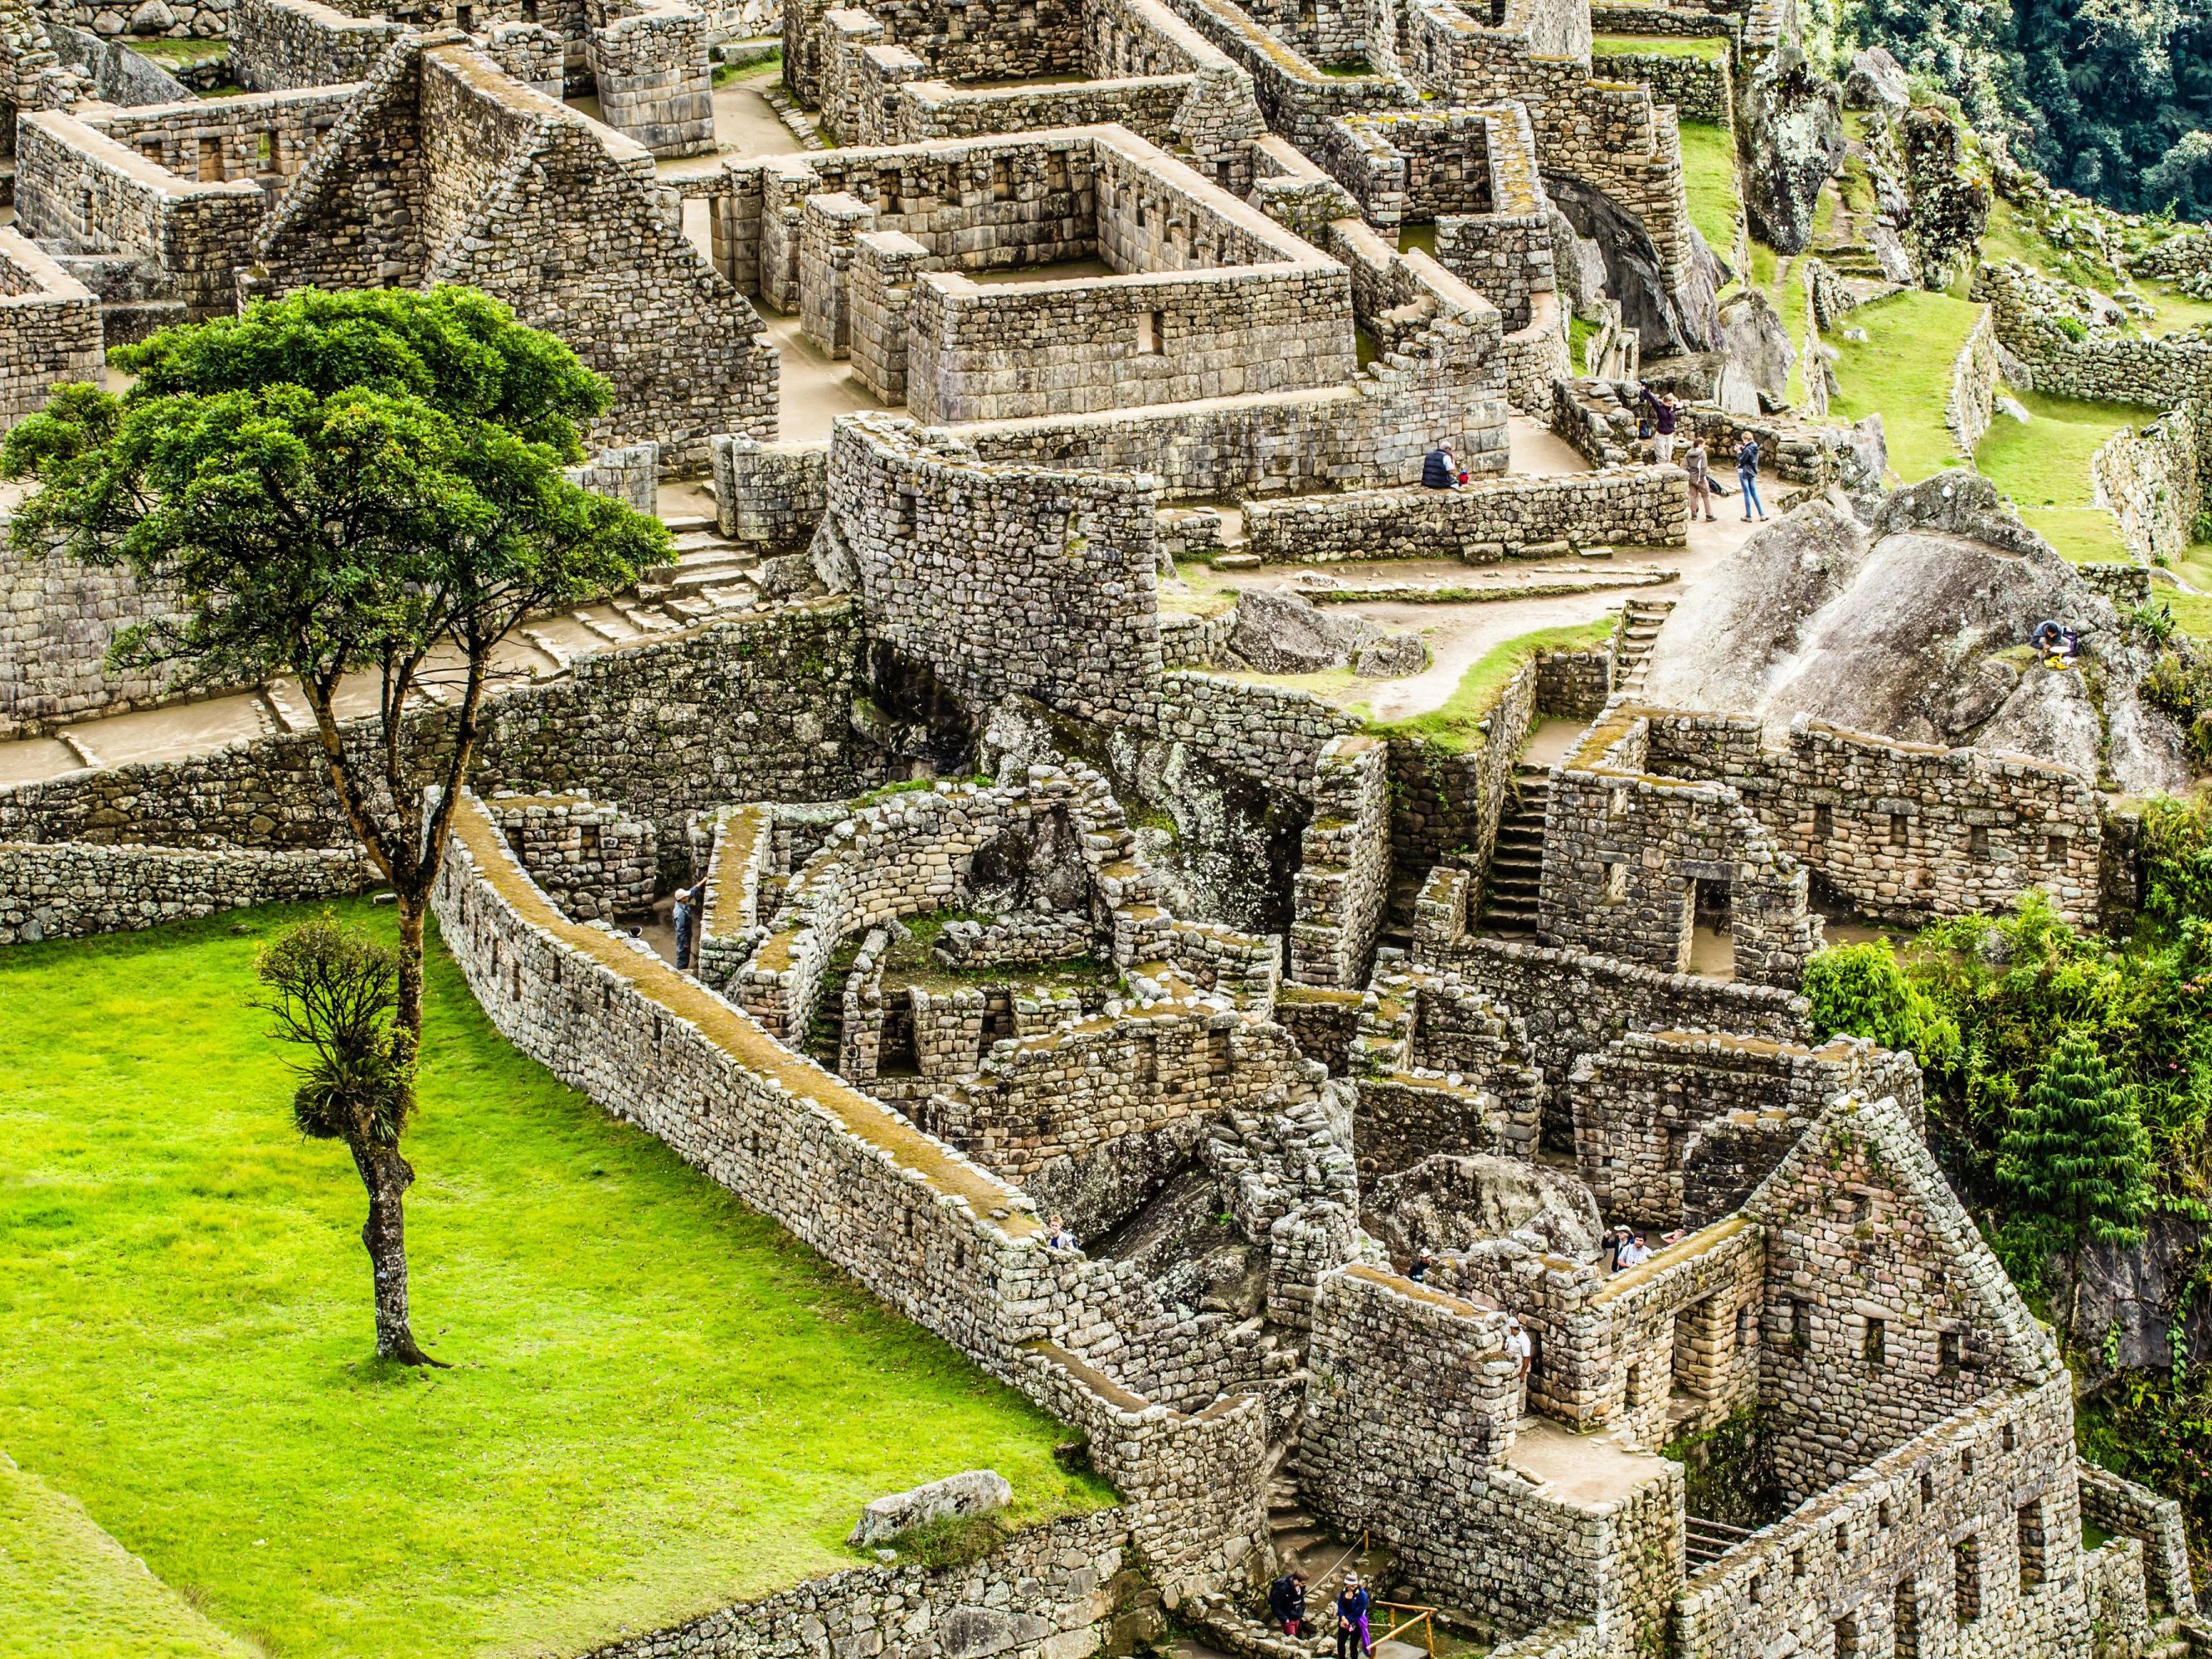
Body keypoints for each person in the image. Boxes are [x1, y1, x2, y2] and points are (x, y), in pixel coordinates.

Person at [1335, 1574, 1373, 1659]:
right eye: (1352, 1586)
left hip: (1356, 1622)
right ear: (1347, 1585)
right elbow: (1340, 1605)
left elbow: (1359, 1611)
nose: (1354, 1587)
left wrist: (1348, 1620)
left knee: (1353, 1646)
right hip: (1344, 1621)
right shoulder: (1344, 1591)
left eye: (1355, 1585)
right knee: (1340, 1644)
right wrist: (1343, 1617)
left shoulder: (1362, 1595)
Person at [1641, 386, 1680, 465]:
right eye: (1669, 403)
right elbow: (1652, 399)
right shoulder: (1660, 408)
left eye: (1671, 403)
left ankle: (1667, 469)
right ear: (1665, 402)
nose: (1670, 405)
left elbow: (1681, 405)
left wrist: (1675, 405)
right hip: (1661, 435)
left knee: (1668, 457)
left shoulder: (1673, 409)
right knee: (1661, 457)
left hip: (1670, 435)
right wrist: (1645, 390)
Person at [1681, 435, 1717, 523]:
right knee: (1706, 495)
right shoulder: (1702, 453)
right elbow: (1704, 467)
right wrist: (1702, 478)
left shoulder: (1688, 454)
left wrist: (1688, 477)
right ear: (1700, 444)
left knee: (1693, 496)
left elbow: (1685, 467)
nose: (1704, 446)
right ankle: (1709, 515)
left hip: (1691, 478)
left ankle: (1694, 514)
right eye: (1703, 444)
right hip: (1700, 478)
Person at [1734, 432, 1767, 522]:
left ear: (1745, 439)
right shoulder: (1754, 446)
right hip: (1752, 472)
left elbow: (1742, 460)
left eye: (1743, 440)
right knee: (1754, 493)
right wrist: (1743, 448)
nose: (1743, 442)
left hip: (1744, 473)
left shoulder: (1747, 449)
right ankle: (1762, 514)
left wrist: (1739, 452)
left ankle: (1748, 516)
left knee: (1747, 494)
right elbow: (1750, 456)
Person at [1270, 1569, 1310, 1637]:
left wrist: (1302, 1609)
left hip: (1297, 1616)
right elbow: (1274, 1605)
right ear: (1296, 1580)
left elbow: (1301, 1599)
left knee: (1296, 1635)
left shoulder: (1300, 1587)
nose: (1304, 1585)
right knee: (1292, 1638)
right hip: (1288, 1619)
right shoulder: (1282, 1588)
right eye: (1303, 1583)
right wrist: (1285, 1619)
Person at [672, 883, 699, 972]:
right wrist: (685, 943)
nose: (688, 897)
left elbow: (692, 892)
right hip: (683, 938)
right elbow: (681, 931)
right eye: (686, 896)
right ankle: (680, 973)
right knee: (683, 956)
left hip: (686, 935)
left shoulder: (681, 902)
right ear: (682, 899)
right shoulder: (680, 913)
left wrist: (703, 881)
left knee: (685, 955)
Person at [1504, 1315, 1533, 1382]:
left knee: (1521, 1388)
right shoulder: (1510, 1335)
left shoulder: (1524, 1339)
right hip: (1511, 1368)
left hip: (1520, 1370)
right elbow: (1507, 1346)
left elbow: (1527, 1358)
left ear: (1512, 1328)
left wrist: (1522, 1373)